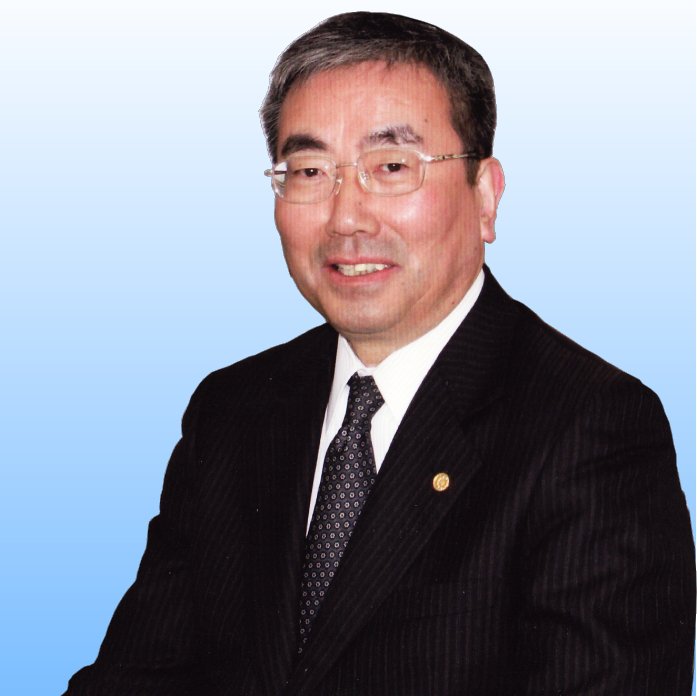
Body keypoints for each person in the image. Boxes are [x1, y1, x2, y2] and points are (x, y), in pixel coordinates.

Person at [64, 11, 694, 695]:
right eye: (309, 170)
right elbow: (137, 677)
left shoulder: (589, 426)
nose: (345, 218)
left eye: (391, 167)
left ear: (485, 196)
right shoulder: (232, 410)